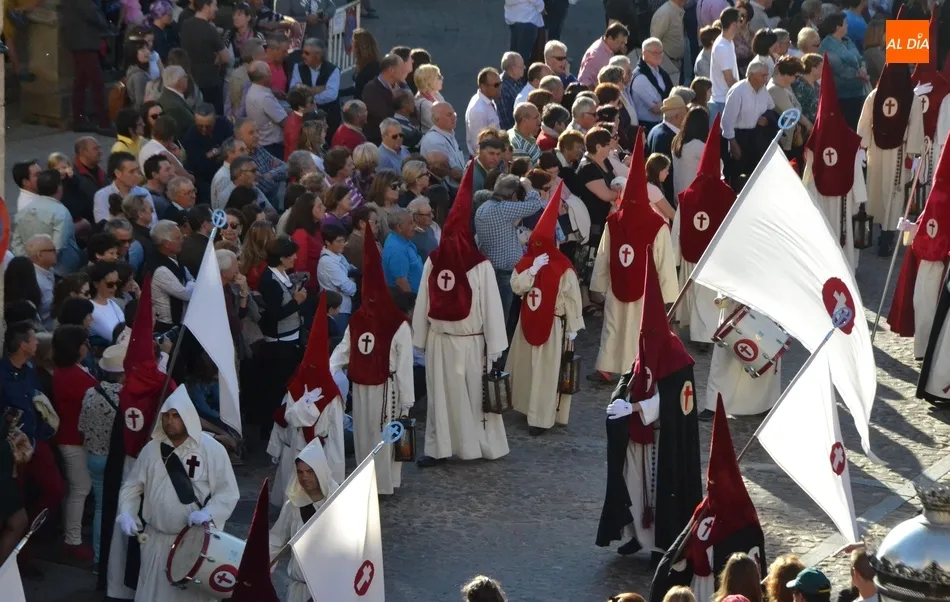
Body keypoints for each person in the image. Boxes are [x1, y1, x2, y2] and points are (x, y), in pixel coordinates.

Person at [596, 245, 701, 560]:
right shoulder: (646, 344)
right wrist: (619, 400)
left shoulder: (678, 359)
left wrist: (635, 408)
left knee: (657, 493)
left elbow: (670, 399)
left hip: (662, 440)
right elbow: (631, 376)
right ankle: (636, 537)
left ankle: (658, 543)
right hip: (637, 437)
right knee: (633, 486)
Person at [411, 165, 509, 467]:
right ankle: (439, 448)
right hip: (443, 339)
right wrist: (421, 339)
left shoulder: (478, 265)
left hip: (468, 342)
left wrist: (494, 347)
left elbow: (490, 306)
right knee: (440, 399)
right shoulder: (437, 262)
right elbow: (425, 300)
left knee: (473, 398)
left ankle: (482, 446)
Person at [115, 386, 239, 602]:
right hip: (155, 541)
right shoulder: (151, 450)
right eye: (166, 416)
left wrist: (208, 513)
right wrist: (127, 512)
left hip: (192, 543)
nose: (169, 421)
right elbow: (132, 487)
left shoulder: (212, 450)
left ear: (188, 417)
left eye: (176, 416)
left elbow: (227, 492)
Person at [330, 225, 414, 494]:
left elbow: (403, 363)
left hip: (383, 387)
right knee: (367, 434)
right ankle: (369, 482)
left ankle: (382, 483)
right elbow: (345, 348)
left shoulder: (389, 322)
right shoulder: (368, 320)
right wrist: (330, 370)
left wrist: (406, 401)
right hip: (368, 385)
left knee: (378, 434)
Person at [589, 132, 677, 383]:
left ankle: (607, 367)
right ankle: (637, 368)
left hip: (619, 281)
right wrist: (669, 295)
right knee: (638, 326)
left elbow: (604, 254)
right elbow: (665, 262)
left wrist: (598, 284)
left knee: (614, 323)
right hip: (645, 286)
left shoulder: (614, 221)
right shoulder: (657, 224)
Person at [507, 181, 583, 435]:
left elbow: (572, 299)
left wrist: (573, 328)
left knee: (546, 373)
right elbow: (517, 287)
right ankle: (525, 407)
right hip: (528, 322)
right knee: (528, 369)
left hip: (553, 326)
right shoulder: (526, 263)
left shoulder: (563, 268)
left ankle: (541, 417)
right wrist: (533, 270)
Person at [802, 59, 865, 274]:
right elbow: (856, 168)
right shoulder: (848, 139)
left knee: (825, 228)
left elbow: (809, 172)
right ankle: (846, 268)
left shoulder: (815, 140)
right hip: (845, 198)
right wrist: (860, 197)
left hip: (821, 195)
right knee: (843, 230)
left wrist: (807, 194)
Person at [858, 60, 925, 256]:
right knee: (893, 193)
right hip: (899, 151)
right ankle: (887, 236)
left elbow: (864, 123)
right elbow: (915, 127)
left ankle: (882, 232)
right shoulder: (911, 99)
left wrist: (862, 146)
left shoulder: (874, 95)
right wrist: (913, 154)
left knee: (878, 190)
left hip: (876, 151)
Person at [268, 439, 339, 601]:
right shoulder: (293, 506)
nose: (304, 477)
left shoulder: (338, 504)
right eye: (300, 472)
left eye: (309, 471)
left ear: (319, 471)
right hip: (299, 590)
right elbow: (276, 541)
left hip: (329, 591)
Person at [51, 324, 98, 561]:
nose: (87, 347)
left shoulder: (65, 372)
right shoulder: (72, 376)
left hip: (73, 438)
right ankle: (72, 540)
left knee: (76, 488)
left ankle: (71, 535)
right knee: (80, 488)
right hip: (72, 440)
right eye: (83, 343)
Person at [78, 344, 124, 566]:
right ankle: (114, 560)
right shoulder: (126, 396)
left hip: (94, 457)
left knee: (100, 508)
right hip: (116, 460)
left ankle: (99, 558)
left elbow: (82, 426)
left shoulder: (90, 393)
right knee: (119, 509)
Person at [12, 169, 83, 276]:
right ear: (59, 188)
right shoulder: (61, 212)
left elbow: (16, 244)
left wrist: (32, 265)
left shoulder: (23, 212)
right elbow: (59, 246)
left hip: (32, 271)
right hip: (61, 272)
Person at [721, 62, 776, 190]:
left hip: (757, 136)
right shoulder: (738, 91)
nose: (766, 79)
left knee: (755, 174)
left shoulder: (763, 90)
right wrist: (733, 143)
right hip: (740, 137)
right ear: (753, 75)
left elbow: (771, 108)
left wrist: (766, 120)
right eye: (763, 75)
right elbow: (727, 121)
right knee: (738, 175)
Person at [63, 0, 113, 136]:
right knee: (97, 82)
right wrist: (104, 23)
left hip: (82, 40)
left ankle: (79, 120)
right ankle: (103, 122)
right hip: (83, 41)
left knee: (81, 82)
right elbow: (91, 13)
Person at [179, 0, 229, 113]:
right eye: (215, 5)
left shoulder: (185, 25)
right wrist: (218, 57)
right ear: (206, 6)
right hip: (210, 84)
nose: (217, 9)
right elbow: (227, 58)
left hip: (191, 82)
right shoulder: (210, 30)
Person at [289, 38, 343, 140]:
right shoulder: (298, 67)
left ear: (318, 55)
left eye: (307, 53)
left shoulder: (333, 70)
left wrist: (308, 99)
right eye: (303, 52)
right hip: (305, 119)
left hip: (329, 118)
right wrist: (317, 89)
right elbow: (294, 90)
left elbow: (331, 95)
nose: (303, 56)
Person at [151, 220, 196, 331]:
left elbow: (191, 278)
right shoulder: (161, 270)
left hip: (180, 322)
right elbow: (186, 294)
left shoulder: (174, 259)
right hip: (167, 327)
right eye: (178, 238)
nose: (182, 240)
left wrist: (191, 282)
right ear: (166, 243)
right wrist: (191, 283)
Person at [631, 38, 674, 133]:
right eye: (655, 53)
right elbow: (656, 109)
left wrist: (669, 102)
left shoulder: (660, 72)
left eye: (661, 52)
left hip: (662, 123)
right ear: (644, 53)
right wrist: (675, 101)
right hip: (648, 127)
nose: (659, 56)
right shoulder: (640, 78)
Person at [708, 8, 741, 125]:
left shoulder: (728, 42)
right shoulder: (722, 47)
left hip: (725, 101)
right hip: (722, 103)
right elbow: (729, 80)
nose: (742, 23)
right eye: (740, 20)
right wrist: (745, 92)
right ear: (733, 24)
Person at [382, 208, 424, 294]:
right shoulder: (396, 249)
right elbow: (402, 283)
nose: (414, 226)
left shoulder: (403, 238)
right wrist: (413, 300)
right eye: (410, 223)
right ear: (399, 227)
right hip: (410, 299)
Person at [466, 68, 503, 156]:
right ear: (483, 87)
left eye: (500, 83)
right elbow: (477, 145)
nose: (500, 87)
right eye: (496, 85)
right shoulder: (478, 110)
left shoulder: (488, 100)